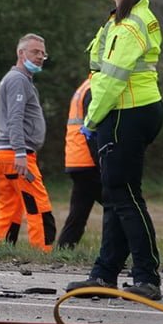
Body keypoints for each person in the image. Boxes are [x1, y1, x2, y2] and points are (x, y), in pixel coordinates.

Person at [68, 0, 163, 300]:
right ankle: (104, 273)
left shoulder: (128, 25)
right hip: (134, 110)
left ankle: (147, 275)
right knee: (115, 195)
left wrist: (91, 120)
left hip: (126, 111)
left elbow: (111, 80)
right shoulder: (127, 19)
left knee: (124, 197)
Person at [0, 34, 57, 252]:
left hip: (2, 155)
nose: (40, 57)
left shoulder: (14, 79)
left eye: (42, 53)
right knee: (38, 204)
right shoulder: (18, 79)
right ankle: (42, 251)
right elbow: (15, 118)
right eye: (35, 52)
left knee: (8, 207)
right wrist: (20, 152)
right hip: (16, 155)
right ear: (21, 53)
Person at [58, 77, 101, 249]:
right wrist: (101, 162)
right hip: (87, 160)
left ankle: (64, 249)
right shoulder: (94, 88)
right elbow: (91, 129)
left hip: (76, 160)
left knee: (78, 213)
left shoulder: (85, 86)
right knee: (118, 205)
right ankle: (121, 252)